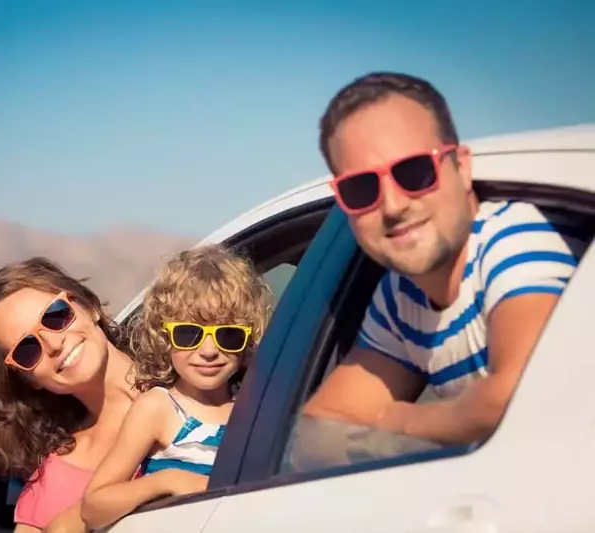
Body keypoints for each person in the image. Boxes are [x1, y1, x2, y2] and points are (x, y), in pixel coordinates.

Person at [300, 72, 587, 447]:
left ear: (462, 167)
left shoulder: (514, 239)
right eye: (361, 187)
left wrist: (396, 421)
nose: (393, 205)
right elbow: (316, 433)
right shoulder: (400, 296)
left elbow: (518, 395)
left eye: (414, 172)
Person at [77, 244, 273, 532]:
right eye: (188, 334)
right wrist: (167, 480)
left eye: (228, 335)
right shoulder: (159, 408)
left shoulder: (255, 402)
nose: (209, 351)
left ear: (247, 339)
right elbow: (93, 507)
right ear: (164, 336)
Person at [0, 256, 138, 533]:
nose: (54, 344)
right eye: (27, 348)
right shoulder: (54, 480)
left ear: (88, 307)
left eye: (56, 316)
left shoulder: (203, 374)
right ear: (28, 379)